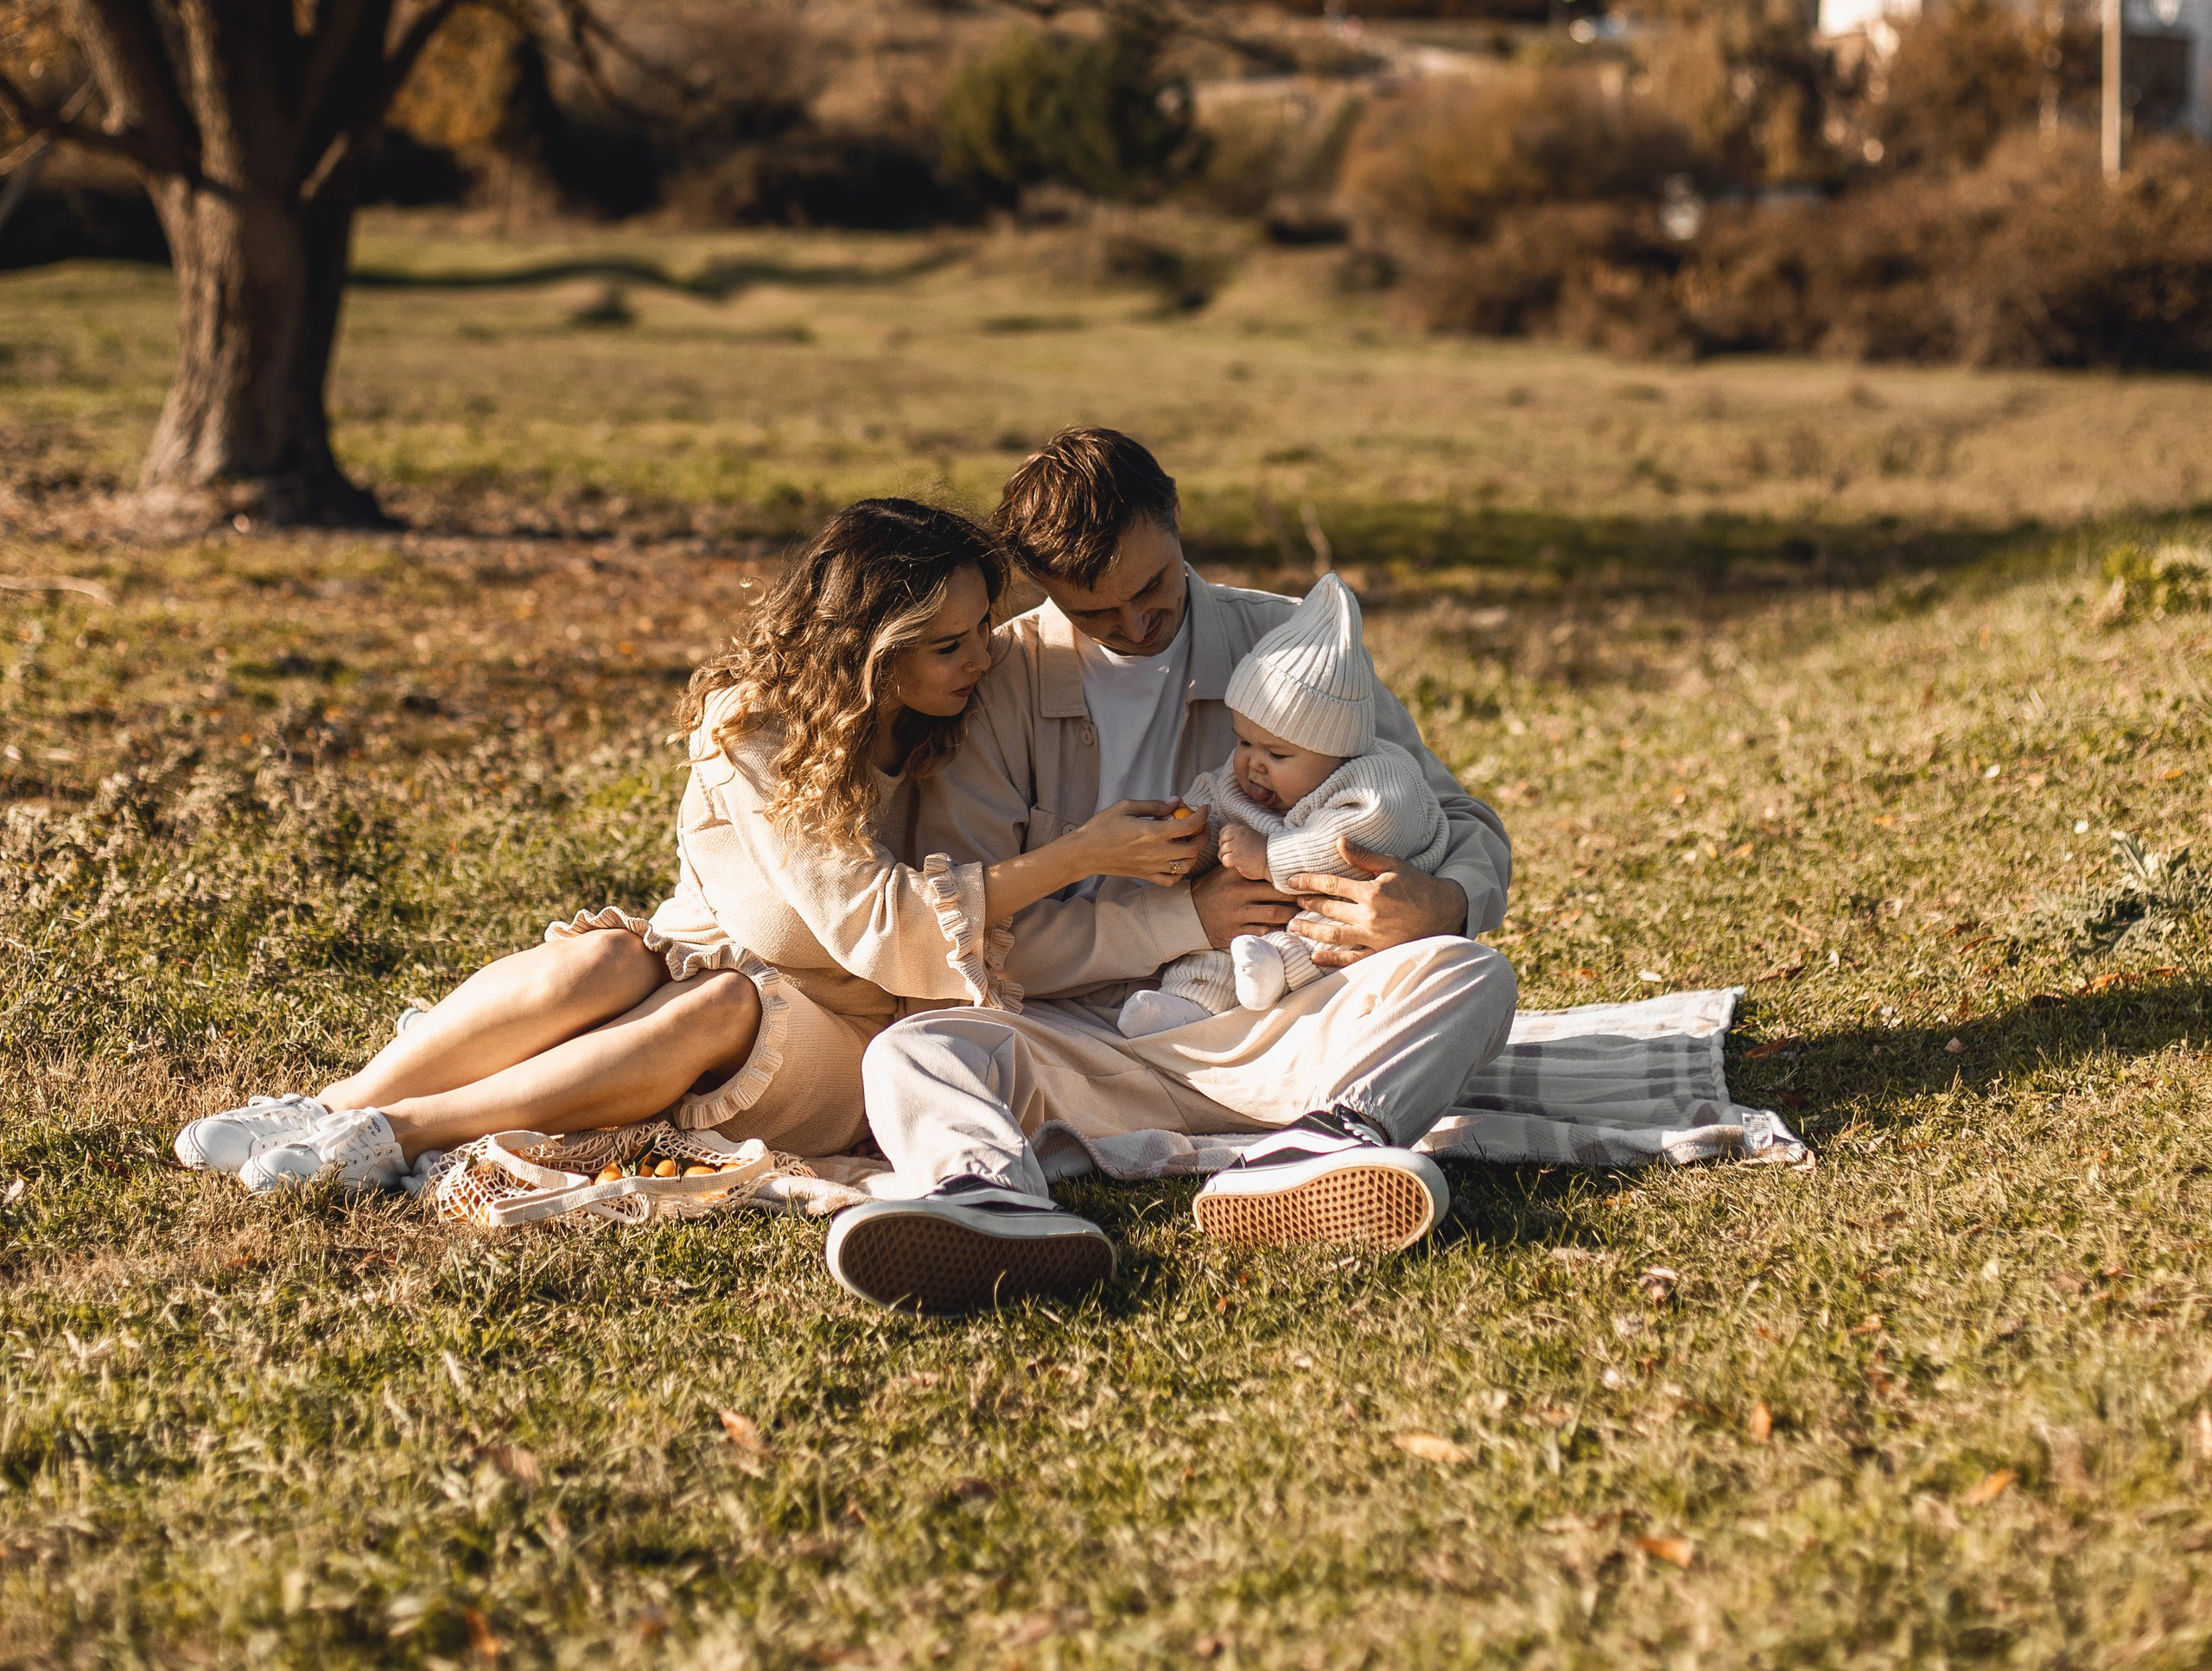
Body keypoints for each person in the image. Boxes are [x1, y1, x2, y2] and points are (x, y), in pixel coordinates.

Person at [174, 500, 1199, 1204]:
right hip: (697, 964)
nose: (983, 659)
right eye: (948, 643)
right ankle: (330, 1106)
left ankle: (398, 1135)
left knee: (721, 1005)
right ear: (864, 648)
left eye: (983, 629)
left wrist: (1081, 860)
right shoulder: (756, 725)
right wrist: (1073, 854)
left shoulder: (959, 718)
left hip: (852, 1026)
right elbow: (859, 908)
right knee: (608, 957)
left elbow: (884, 953)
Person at [822, 429, 1517, 1316]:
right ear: (1039, 586)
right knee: (915, 1051)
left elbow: (1458, 822)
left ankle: (1323, 1148)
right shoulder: (992, 683)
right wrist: (1186, 920)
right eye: (1095, 612)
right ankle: (984, 1198)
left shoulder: (1285, 644)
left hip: (1275, 1024)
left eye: (1151, 587)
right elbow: (971, 940)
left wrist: (1444, 900)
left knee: (1470, 971)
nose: (1136, 625)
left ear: (1175, 517)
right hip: (1081, 1041)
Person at [1116, 571, 1452, 1032]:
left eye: (1277, 754)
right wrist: (1189, 843)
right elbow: (1214, 806)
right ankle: (1186, 1007)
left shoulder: (1377, 778)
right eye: (1243, 743)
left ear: (1337, 750)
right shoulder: (1243, 786)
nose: (1253, 764)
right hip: (1251, 925)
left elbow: (1357, 839)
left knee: (1326, 941)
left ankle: (1276, 975)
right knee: (1217, 946)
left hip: (1344, 923)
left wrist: (1269, 855)